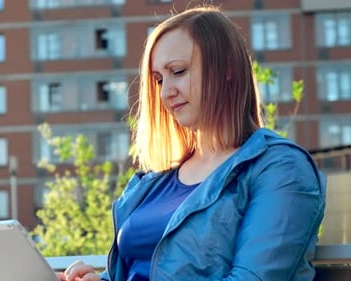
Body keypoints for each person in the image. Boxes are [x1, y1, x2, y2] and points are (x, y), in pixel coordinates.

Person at [58, 5, 326, 281]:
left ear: (227, 69)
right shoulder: (152, 183)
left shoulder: (280, 168)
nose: (165, 92)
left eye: (179, 71)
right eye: (159, 79)